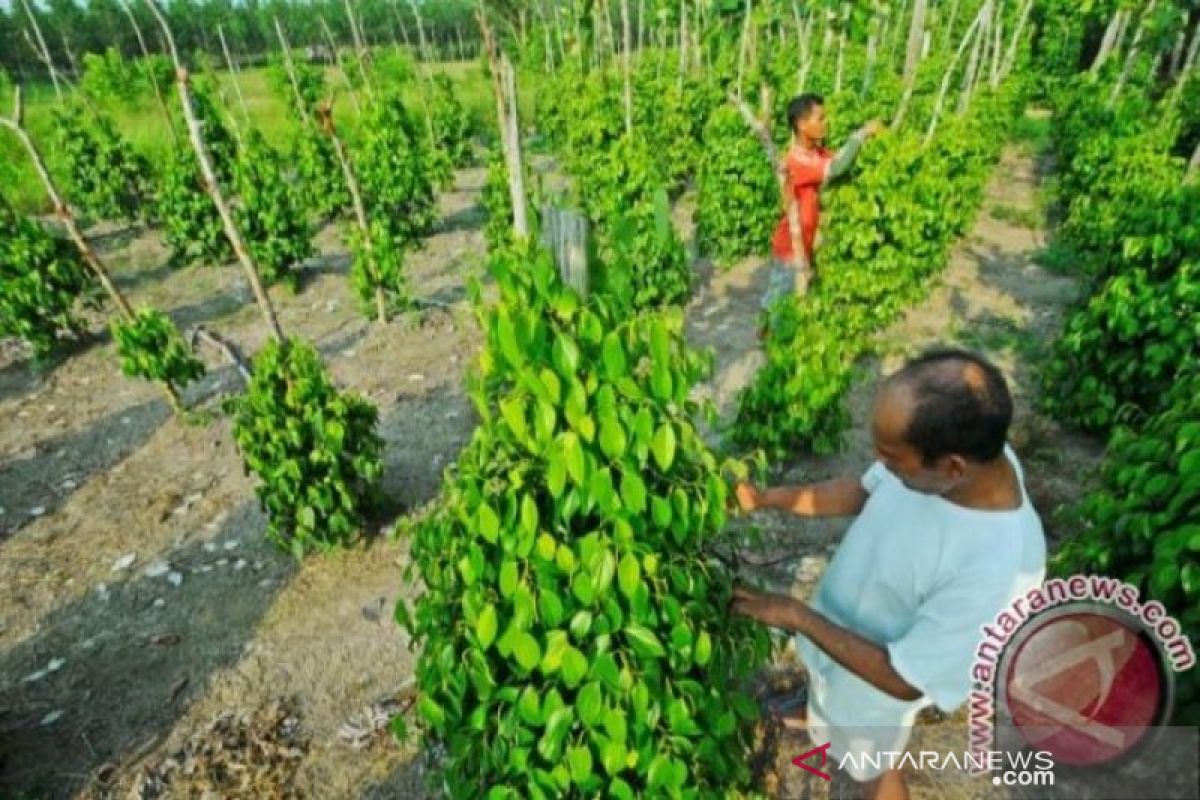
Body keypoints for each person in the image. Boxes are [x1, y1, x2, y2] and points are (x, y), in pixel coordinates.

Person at [730, 348, 1046, 800]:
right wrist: (768, 498)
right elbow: (863, 490)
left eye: (893, 460)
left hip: (876, 692)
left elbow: (904, 680)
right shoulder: (965, 459)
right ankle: (818, 712)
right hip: (840, 650)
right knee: (829, 699)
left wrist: (797, 617)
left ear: (952, 466)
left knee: (874, 767)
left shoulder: (998, 572)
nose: (884, 468)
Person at [762, 95, 884, 322]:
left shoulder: (815, 153)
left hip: (807, 242)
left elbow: (838, 157)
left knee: (793, 300)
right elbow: (836, 167)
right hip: (789, 247)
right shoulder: (796, 160)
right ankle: (765, 339)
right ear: (801, 124)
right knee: (779, 302)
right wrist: (861, 134)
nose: (825, 122)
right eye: (820, 118)